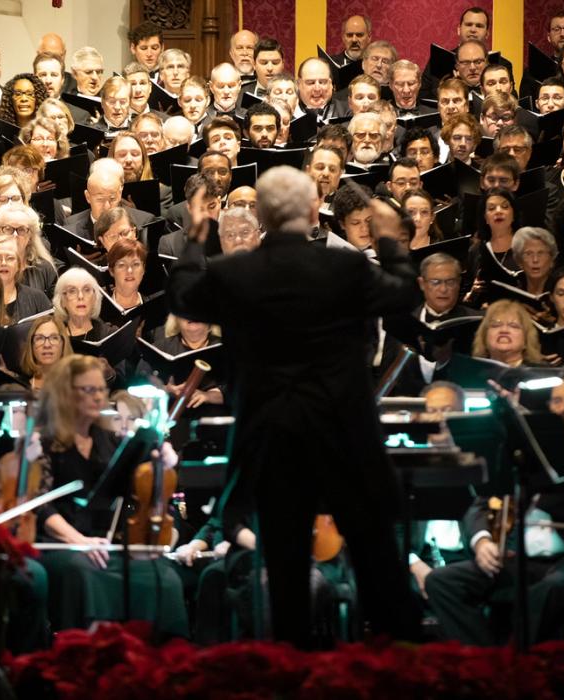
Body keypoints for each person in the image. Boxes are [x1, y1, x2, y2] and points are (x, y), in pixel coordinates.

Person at [167, 165, 421, 647]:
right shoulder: (346, 266)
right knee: (375, 558)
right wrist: (389, 242)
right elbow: (404, 294)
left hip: (271, 436)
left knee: (285, 571)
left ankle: (293, 672)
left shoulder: (233, 272)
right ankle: (399, 668)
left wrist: (198, 236)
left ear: (261, 214)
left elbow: (181, 294)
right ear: (311, 212)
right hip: (344, 432)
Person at [426, 364, 564, 646]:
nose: (563, 410)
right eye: (557, 401)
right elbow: (481, 501)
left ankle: (520, 672)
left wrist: (545, 491)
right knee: (442, 582)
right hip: (518, 555)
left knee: (548, 590)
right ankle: (488, 665)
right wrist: (482, 541)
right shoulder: (527, 447)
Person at [33, 354, 188, 636]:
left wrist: (159, 460)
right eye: (88, 390)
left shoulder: (108, 439)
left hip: (105, 544)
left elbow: (133, 486)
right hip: (60, 546)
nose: (98, 397)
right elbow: (41, 506)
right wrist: (79, 541)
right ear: (66, 393)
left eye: (101, 390)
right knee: (82, 571)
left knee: (163, 576)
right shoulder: (43, 441)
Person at [52, 268, 114, 341]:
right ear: (62, 301)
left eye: (87, 290)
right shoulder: (53, 339)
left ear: (95, 298)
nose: (80, 296)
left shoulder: (111, 335)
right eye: (72, 291)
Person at [19, 313, 71, 391]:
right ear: (31, 344)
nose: (47, 345)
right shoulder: (19, 386)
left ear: (63, 343)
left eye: (54, 338)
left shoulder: (76, 385)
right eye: (40, 338)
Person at [106, 238, 147, 310]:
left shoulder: (156, 310)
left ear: (143, 269)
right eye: (122, 265)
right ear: (111, 271)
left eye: (135, 264)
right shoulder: (97, 313)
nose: (130, 270)